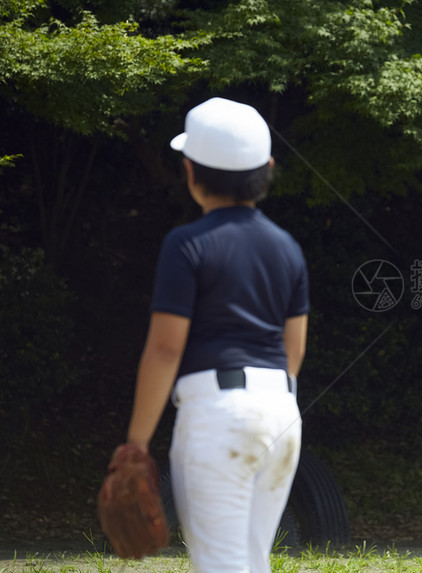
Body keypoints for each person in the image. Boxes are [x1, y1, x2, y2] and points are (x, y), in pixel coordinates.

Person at [124, 97, 310, 573]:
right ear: (267, 169)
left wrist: (136, 444)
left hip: (219, 414)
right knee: (250, 560)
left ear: (190, 171)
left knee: (223, 565)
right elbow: (294, 351)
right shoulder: (288, 248)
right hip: (281, 414)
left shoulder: (186, 244)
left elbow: (166, 349)